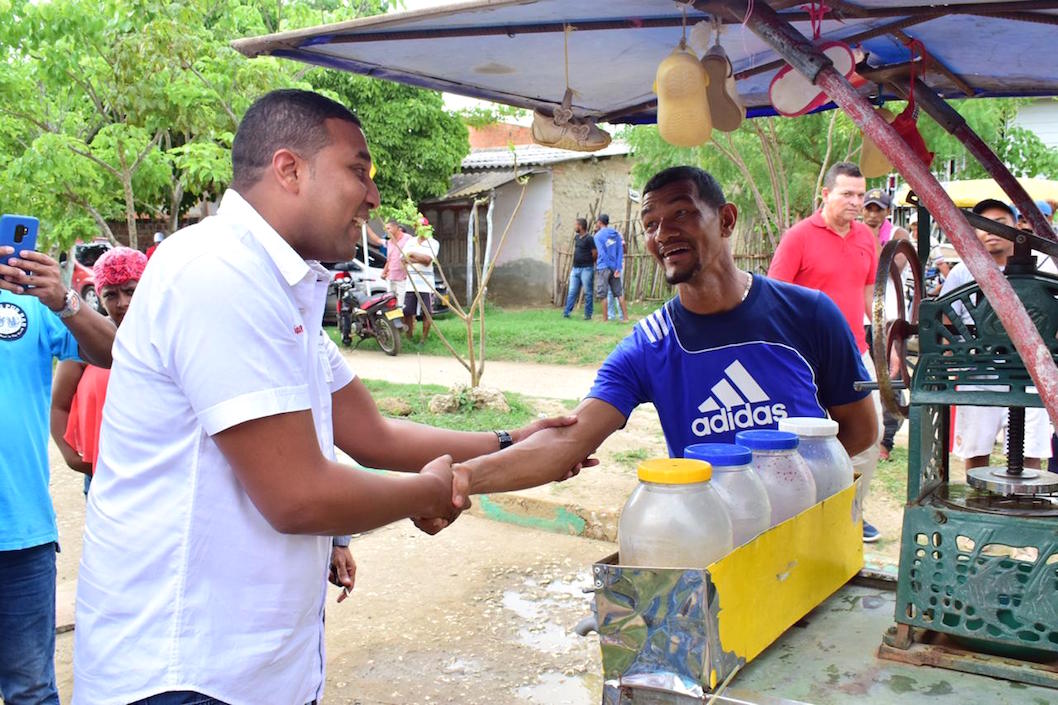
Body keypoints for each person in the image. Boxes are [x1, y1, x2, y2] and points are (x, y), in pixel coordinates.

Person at [71, 89, 579, 705]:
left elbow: (374, 435)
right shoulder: (218, 272)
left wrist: (506, 439)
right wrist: (428, 491)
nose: (373, 196)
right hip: (185, 670)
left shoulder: (282, 287)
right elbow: (300, 496)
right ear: (290, 169)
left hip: (257, 667)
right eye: (357, 171)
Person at [447, 166, 877, 514]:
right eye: (650, 224)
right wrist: (465, 477)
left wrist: (787, 494)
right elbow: (567, 441)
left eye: (682, 214)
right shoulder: (647, 346)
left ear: (726, 219)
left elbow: (860, 429)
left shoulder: (808, 313)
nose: (663, 233)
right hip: (714, 536)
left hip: (812, 527)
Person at [0, 243, 116, 705]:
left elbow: (112, 353)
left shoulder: (26, 298)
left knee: (31, 690)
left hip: (21, 537)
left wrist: (65, 300)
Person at [767, 162, 883, 542]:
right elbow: (775, 298)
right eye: (847, 194)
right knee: (807, 440)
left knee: (869, 435)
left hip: (857, 353)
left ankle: (851, 511)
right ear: (826, 194)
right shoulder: (798, 237)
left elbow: (870, 293)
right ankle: (802, 513)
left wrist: (884, 342)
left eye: (861, 195)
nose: (856, 202)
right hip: (806, 360)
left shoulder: (867, 237)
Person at [941, 198, 1052, 471]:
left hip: (1032, 374)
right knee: (976, 449)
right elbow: (944, 319)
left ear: (1016, 227)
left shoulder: (1045, 270)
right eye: (983, 226)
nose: (991, 232)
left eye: (1000, 224)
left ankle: (1025, 506)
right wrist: (947, 362)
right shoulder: (962, 272)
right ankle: (978, 499)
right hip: (978, 373)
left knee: (1031, 454)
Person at [51, 247, 146, 496]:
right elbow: (59, 404)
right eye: (111, 294)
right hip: (102, 477)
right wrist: (74, 458)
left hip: (156, 473)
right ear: (100, 297)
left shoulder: (164, 339)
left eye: (130, 291)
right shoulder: (88, 340)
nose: (122, 302)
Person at [402, 222, 440, 342]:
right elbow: (403, 258)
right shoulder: (410, 241)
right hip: (411, 283)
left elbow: (428, 260)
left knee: (427, 312)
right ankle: (409, 337)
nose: (418, 229)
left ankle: (423, 339)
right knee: (407, 311)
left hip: (426, 284)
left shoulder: (433, 242)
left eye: (421, 226)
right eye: (417, 226)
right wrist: (419, 258)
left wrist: (412, 254)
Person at [593, 214, 628, 322]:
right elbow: (620, 252)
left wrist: (610, 266)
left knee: (603, 294)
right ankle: (626, 318)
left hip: (603, 267)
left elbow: (602, 253)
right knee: (619, 293)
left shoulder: (598, 236)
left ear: (599, 222)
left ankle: (605, 320)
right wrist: (617, 268)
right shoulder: (616, 234)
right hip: (615, 268)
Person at [563, 217, 596, 319]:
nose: (575, 227)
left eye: (576, 225)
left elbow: (595, 253)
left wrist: (589, 262)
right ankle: (567, 312)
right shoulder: (577, 238)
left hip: (586, 269)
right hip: (575, 268)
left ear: (580, 226)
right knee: (572, 291)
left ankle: (588, 314)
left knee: (588, 292)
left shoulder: (589, 238)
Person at [380, 218, 411, 298]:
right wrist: (384, 272)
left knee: (401, 300)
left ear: (396, 228)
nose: (386, 231)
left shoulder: (407, 238)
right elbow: (389, 260)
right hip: (391, 276)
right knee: (391, 300)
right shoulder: (389, 242)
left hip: (403, 277)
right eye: (385, 229)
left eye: (388, 228)